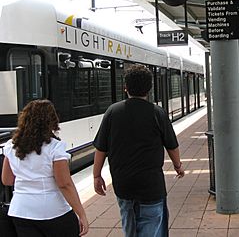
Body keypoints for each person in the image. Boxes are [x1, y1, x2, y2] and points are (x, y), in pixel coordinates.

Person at [93, 64, 184, 237]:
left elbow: (101, 148)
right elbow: (172, 146)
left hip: (124, 186)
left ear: (125, 87)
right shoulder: (157, 113)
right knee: (153, 228)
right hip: (151, 186)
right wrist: (178, 166)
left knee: (130, 228)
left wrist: (97, 175)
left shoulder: (113, 112)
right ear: (149, 88)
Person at [1, 100, 89, 236]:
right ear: (52, 121)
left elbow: (7, 180)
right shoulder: (55, 147)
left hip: (21, 211)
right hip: (53, 211)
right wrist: (81, 213)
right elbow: (64, 183)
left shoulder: (11, 146)